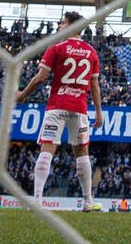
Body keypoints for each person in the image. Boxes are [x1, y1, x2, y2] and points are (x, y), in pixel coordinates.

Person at [14, 11, 103, 212]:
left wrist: (22, 95)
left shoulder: (56, 48)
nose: (59, 26)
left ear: (71, 26)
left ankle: (37, 200)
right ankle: (88, 201)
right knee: (82, 152)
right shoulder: (91, 52)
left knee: (47, 149)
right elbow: (94, 86)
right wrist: (98, 112)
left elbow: (40, 78)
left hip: (57, 106)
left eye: (63, 23)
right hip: (79, 108)